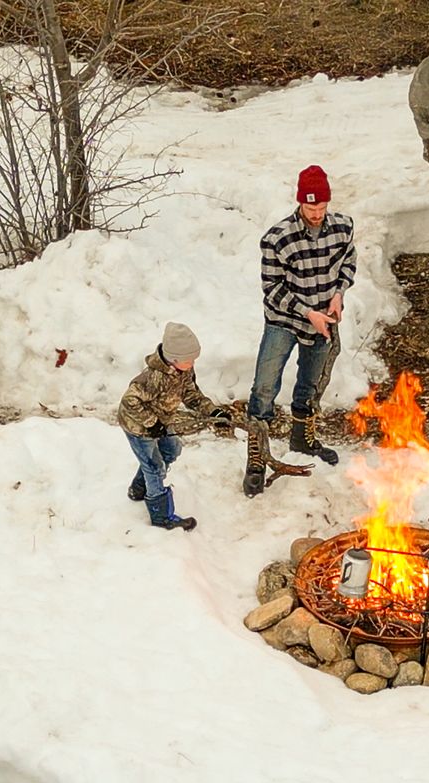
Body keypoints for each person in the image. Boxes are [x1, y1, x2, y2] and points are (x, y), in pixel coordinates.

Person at [243, 164, 356, 496]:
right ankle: (256, 457)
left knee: (310, 381)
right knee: (264, 386)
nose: (317, 213)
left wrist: (338, 295)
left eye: (321, 207)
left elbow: (348, 263)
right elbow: (272, 289)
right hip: (285, 320)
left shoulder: (343, 227)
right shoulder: (277, 239)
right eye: (311, 207)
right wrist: (308, 313)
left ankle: (301, 437)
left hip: (324, 317)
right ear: (299, 203)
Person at [118, 322, 231, 531]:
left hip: (162, 421)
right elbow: (129, 402)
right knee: (154, 466)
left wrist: (213, 411)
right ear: (174, 359)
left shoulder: (183, 370)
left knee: (171, 449)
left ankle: (138, 488)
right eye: (189, 360)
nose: (192, 363)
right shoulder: (152, 377)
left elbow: (190, 394)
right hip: (137, 426)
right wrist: (151, 424)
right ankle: (161, 516)